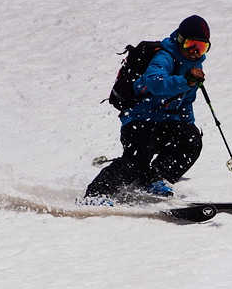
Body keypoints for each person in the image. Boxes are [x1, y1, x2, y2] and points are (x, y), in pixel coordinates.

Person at [84, 15, 210, 204]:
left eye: (201, 47)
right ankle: (96, 194)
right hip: (139, 119)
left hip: (167, 122)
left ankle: (152, 179)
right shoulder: (164, 57)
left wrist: (188, 131)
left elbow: (186, 102)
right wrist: (185, 81)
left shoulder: (195, 67)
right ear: (180, 41)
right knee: (138, 158)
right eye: (190, 45)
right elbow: (155, 83)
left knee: (191, 141)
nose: (194, 52)